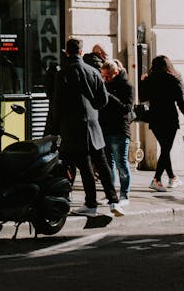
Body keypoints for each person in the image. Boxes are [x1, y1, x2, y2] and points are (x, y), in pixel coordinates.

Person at [54, 38, 122, 216]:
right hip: (93, 125)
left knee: (85, 167)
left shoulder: (63, 74)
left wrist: (58, 125)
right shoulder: (93, 71)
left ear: (67, 52)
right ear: (82, 52)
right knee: (102, 163)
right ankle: (114, 201)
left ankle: (91, 203)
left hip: (73, 126)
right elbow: (103, 100)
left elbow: (58, 104)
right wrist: (92, 111)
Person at [142, 55, 184, 191]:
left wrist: (143, 82)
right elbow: (181, 104)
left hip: (154, 119)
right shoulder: (173, 80)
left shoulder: (149, 80)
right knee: (165, 149)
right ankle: (156, 180)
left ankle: (172, 177)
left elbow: (143, 98)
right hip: (169, 119)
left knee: (164, 149)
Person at [99, 59, 133, 206]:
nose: (105, 79)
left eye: (108, 76)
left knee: (121, 164)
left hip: (120, 130)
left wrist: (110, 97)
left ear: (116, 72)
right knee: (108, 165)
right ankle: (110, 194)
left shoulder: (127, 86)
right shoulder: (104, 86)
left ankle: (124, 194)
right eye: (103, 76)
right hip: (105, 129)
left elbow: (126, 108)